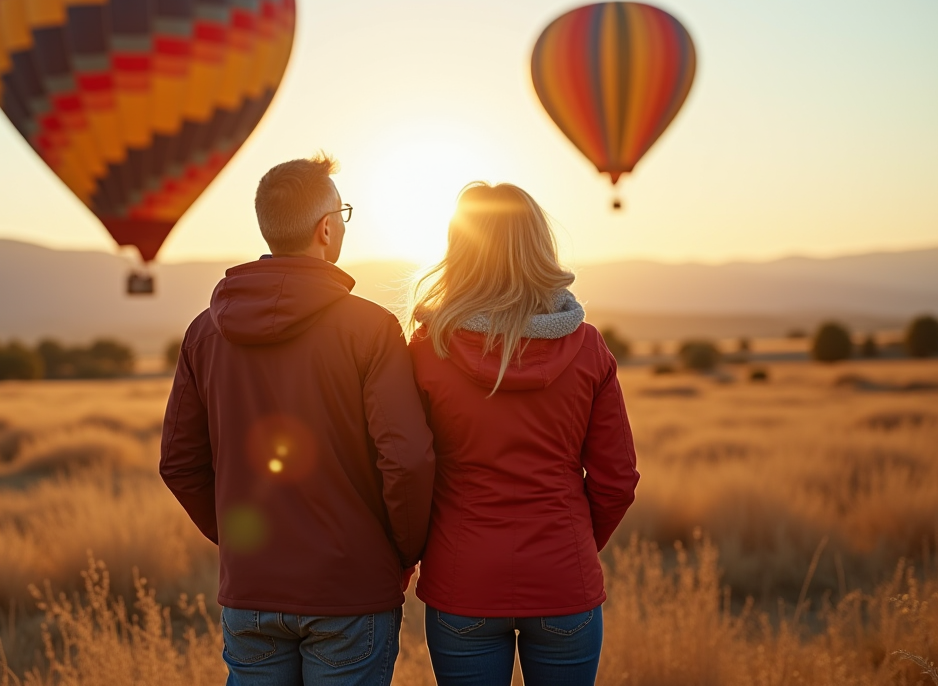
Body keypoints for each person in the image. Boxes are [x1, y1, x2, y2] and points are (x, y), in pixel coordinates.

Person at [160, 153, 436, 685]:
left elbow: (178, 463)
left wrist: (246, 543)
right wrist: (399, 551)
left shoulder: (204, 332)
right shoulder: (372, 329)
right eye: (344, 215)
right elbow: (406, 459)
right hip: (351, 588)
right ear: (327, 228)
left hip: (252, 591)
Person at [407, 182, 640, 686]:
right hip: (563, 578)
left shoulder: (426, 350)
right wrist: (571, 544)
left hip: (462, 579)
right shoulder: (589, 348)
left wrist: (418, 552)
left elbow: (407, 470)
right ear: (540, 246)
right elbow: (618, 481)